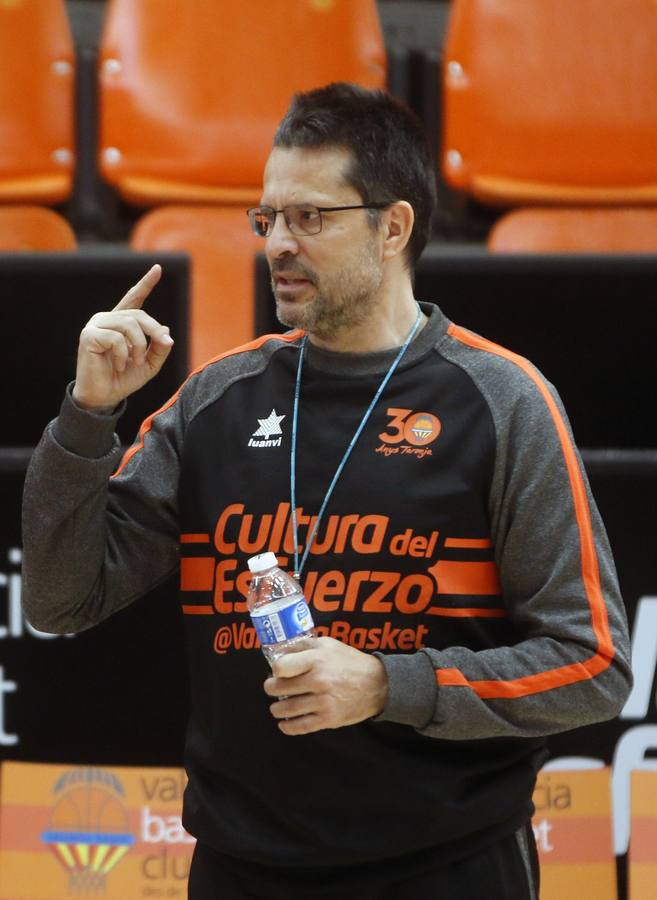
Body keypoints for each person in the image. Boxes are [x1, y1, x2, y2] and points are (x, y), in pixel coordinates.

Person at [22, 83, 632, 900]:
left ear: (392, 227)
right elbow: (60, 601)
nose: (277, 242)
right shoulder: (214, 401)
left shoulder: (501, 398)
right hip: (242, 868)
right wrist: (87, 417)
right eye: (267, 218)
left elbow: (590, 665)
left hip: (445, 866)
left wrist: (388, 684)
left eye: (310, 217)